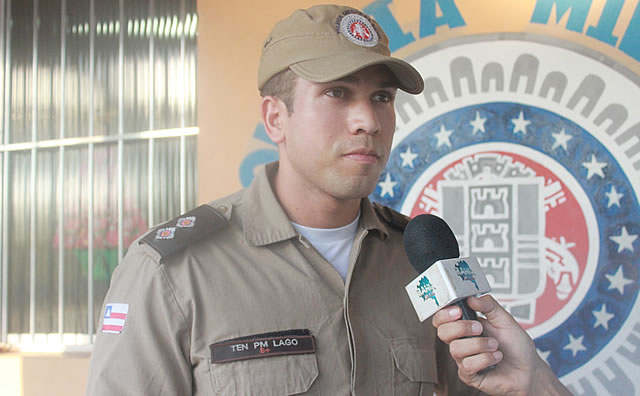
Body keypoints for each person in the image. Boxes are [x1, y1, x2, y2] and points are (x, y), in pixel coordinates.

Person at [86, 5, 572, 395]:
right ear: (275, 118)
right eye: (338, 93)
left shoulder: (419, 260)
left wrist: (534, 384)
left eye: (382, 97)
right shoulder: (172, 271)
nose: (368, 120)